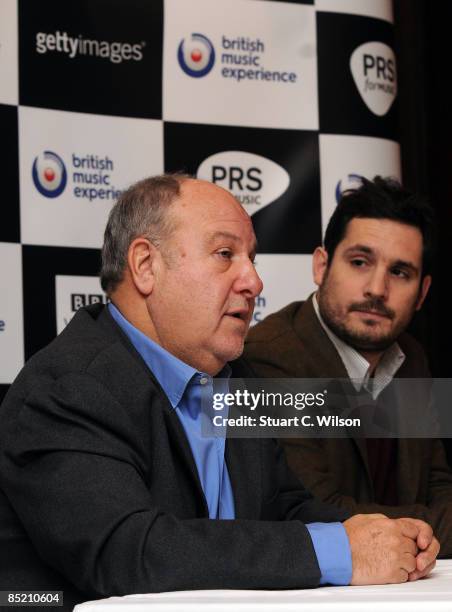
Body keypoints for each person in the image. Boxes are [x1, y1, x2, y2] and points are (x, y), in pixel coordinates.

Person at [0, 175, 439, 611]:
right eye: (225, 254)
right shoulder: (70, 388)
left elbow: (284, 507)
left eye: (252, 258)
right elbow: (128, 553)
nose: (254, 281)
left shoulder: (236, 377)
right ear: (145, 265)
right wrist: (341, 553)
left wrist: (385, 535)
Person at [244, 175, 452, 557]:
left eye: (400, 272)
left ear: (422, 293)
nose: (376, 288)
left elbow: (439, 486)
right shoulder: (269, 356)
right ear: (321, 266)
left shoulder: (413, 358)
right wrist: (431, 527)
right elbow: (317, 512)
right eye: (360, 262)